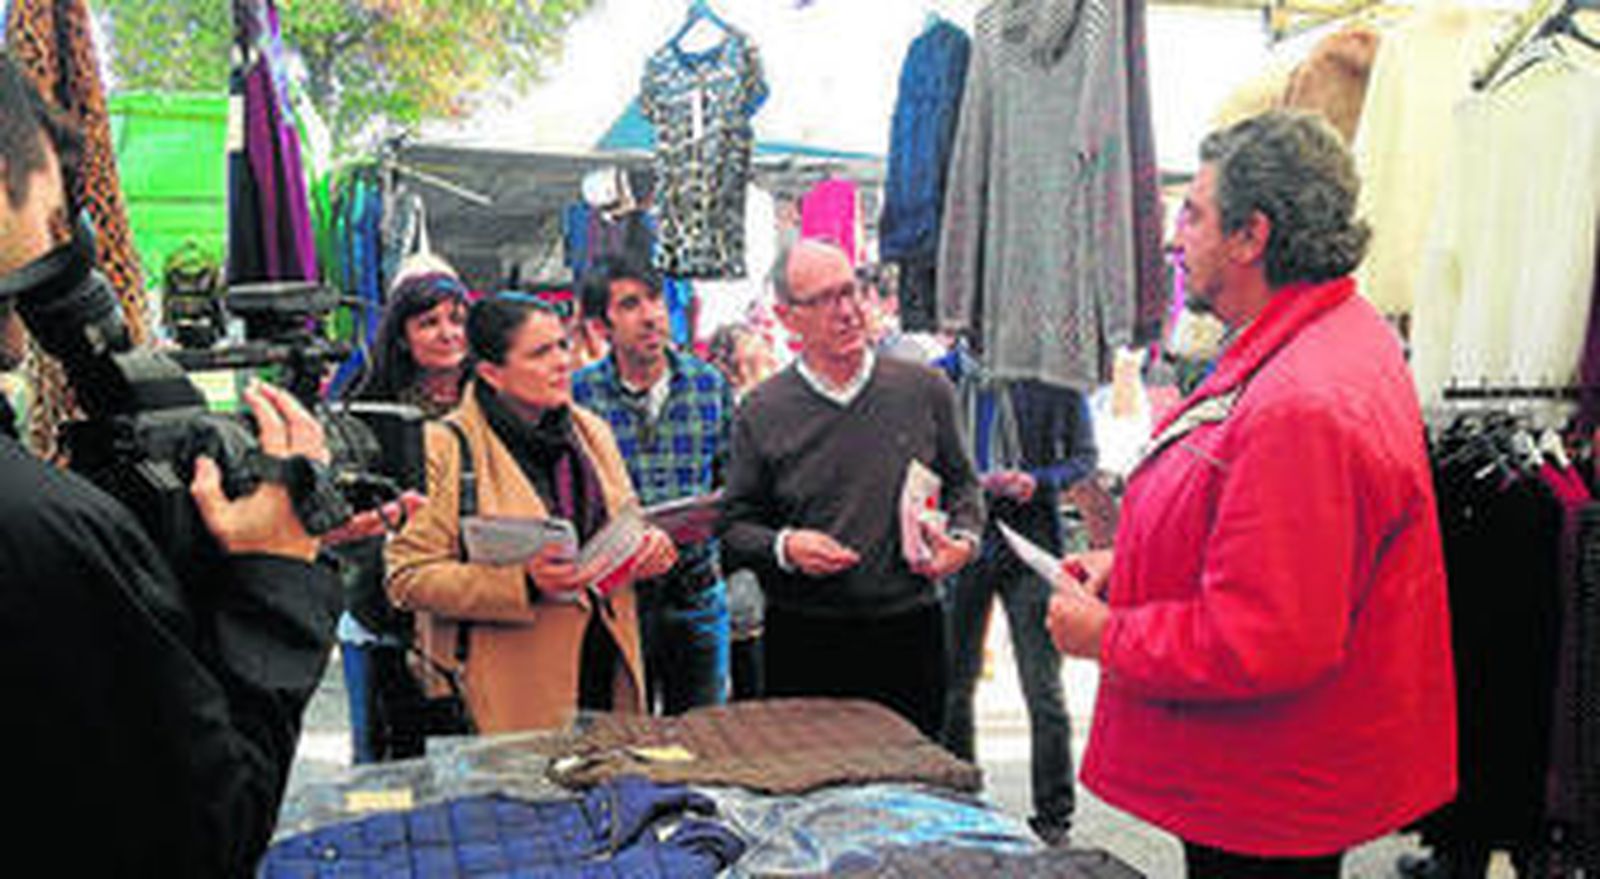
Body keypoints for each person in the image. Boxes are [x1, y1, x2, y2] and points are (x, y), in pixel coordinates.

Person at [1046, 111, 1456, 878]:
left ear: (1251, 235)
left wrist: (1108, 635)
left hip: (1267, 788)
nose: (1175, 236)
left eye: (1194, 213)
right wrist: (1128, 567)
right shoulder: (1319, 338)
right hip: (1271, 773)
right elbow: (1263, 544)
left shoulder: (1302, 395)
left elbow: (1263, 636)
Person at [0, 51, 340, 875]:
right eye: (56, 218)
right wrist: (277, 578)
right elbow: (200, 839)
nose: (65, 245)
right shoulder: (39, 529)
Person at [718, 238, 984, 738]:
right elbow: (733, 528)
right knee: (811, 792)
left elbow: (964, 486)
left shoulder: (924, 390)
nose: (846, 312)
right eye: (823, 300)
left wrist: (963, 543)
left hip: (910, 627)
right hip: (805, 638)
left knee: (915, 790)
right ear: (787, 317)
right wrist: (786, 546)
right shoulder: (763, 410)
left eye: (850, 291)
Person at [386, 293, 677, 733]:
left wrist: (648, 548)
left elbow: (625, 520)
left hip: (606, 669)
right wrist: (521, 583)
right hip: (509, 691)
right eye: (541, 352)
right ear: (491, 373)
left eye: (562, 345)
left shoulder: (590, 431)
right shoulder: (444, 447)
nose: (563, 361)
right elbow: (406, 578)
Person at [941, 367, 1097, 847]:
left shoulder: (1052, 379)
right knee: (954, 683)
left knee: (1042, 687)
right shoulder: (944, 378)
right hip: (963, 539)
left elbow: (1084, 457)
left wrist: (1037, 480)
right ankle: (960, 802)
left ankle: (1054, 817)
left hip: (1029, 541)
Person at [573, 257, 735, 714]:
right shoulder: (579, 395)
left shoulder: (709, 385)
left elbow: (733, 481)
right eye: (629, 305)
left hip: (696, 592)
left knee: (702, 735)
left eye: (655, 300)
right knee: (618, 732)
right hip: (619, 598)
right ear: (602, 325)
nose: (650, 315)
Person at [334, 271, 469, 763]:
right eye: (429, 322)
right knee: (383, 762)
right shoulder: (369, 406)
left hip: (464, 613)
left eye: (457, 319)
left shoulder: (489, 403)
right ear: (403, 336)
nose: (448, 332)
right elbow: (342, 522)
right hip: (382, 611)